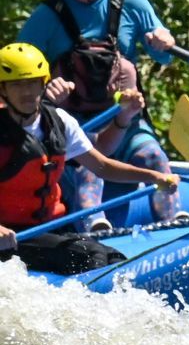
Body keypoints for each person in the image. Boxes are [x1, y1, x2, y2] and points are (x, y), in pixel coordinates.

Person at [16, 0, 180, 224]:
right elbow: (15, 75)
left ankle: (174, 226)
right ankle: (94, 230)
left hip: (126, 123)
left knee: (155, 158)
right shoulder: (46, 17)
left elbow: (165, 57)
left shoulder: (131, 2)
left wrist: (164, 41)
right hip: (76, 129)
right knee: (88, 171)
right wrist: (46, 88)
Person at [0, 43, 177, 273]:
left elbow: (102, 166)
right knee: (91, 257)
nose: (27, 92)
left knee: (113, 257)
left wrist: (154, 177)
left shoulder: (59, 122)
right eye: (17, 84)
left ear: (43, 83)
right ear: (3, 89)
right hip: (11, 237)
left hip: (50, 228)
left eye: (32, 82)